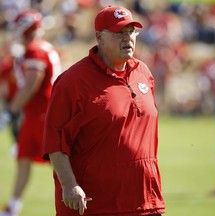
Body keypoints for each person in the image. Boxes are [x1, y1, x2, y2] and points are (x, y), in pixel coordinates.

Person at [42, 5, 166, 216]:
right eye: (119, 33)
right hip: (96, 204)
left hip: (145, 200)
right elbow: (55, 140)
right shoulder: (72, 82)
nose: (127, 38)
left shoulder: (143, 72)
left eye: (131, 32)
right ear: (99, 37)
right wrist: (69, 185)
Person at [0, 9, 62, 216]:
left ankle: (77, 199)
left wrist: (10, 111)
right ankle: (12, 206)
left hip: (45, 114)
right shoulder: (29, 50)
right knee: (23, 158)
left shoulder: (36, 50)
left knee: (59, 163)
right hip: (34, 114)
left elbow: (31, 85)